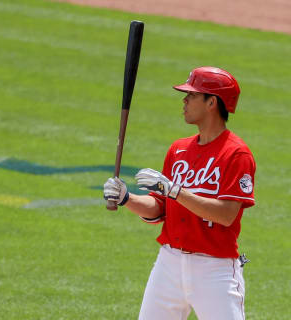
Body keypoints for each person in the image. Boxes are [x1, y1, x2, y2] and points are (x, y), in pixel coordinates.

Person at [103, 66, 256, 320]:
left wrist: (176, 191)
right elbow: (160, 208)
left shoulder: (236, 154)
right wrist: (126, 198)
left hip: (214, 270)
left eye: (192, 95)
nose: (184, 100)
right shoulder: (178, 150)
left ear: (212, 102)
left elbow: (227, 215)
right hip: (169, 265)